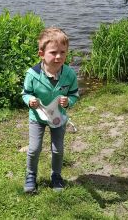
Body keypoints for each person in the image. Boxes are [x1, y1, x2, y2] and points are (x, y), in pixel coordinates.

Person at [22, 27, 79, 193]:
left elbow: (75, 94)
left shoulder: (69, 74)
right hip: (37, 117)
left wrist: (68, 101)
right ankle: (31, 175)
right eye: (53, 52)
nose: (59, 56)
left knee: (58, 149)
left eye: (63, 52)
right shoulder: (32, 74)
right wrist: (30, 100)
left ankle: (56, 176)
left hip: (58, 118)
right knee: (34, 148)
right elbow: (26, 93)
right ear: (41, 54)